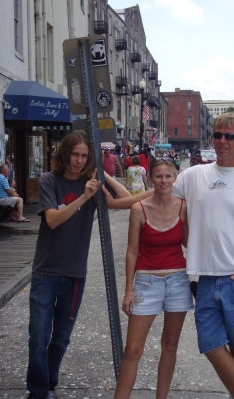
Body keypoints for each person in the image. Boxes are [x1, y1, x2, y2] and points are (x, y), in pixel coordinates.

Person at [106, 112, 234, 399]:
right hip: (207, 277)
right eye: (218, 135)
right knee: (210, 343)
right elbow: (156, 193)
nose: (222, 141)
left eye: (229, 136)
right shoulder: (195, 175)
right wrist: (115, 204)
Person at [26, 132, 130, 399]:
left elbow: (124, 197)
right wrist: (84, 197)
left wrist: (101, 174)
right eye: (75, 154)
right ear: (65, 154)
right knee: (38, 336)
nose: (78, 160)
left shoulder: (91, 183)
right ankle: (38, 392)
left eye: (84, 156)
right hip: (46, 271)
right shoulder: (50, 181)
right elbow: (52, 220)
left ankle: (48, 383)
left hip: (74, 275)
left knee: (61, 336)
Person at [114, 158, 193, 399]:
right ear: (150, 179)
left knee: (170, 345)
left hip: (178, 282)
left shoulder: (184, 207)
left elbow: (189, 244)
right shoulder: (139, 208)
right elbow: (132, 251)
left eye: (168, 176)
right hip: (146, 283)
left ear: (175, 178)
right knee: (132, 351)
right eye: (159, 176)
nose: (164, 181)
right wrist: (129, 289)